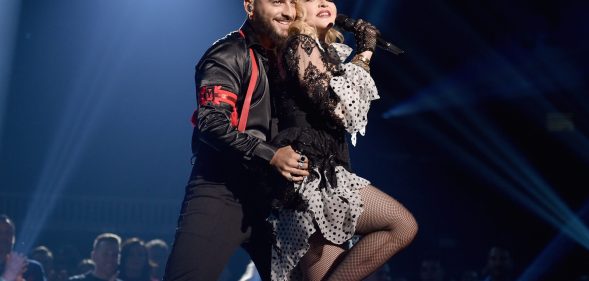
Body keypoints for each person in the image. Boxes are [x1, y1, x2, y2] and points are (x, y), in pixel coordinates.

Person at [266, 0, 419, 280]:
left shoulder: (324, 52)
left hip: (324, 168)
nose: (324, 2)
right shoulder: (301, 43)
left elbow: (350, 110)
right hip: (312, 172)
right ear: (296, 9)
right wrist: (364, 55)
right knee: (402, 224)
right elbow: (337, 109)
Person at [163, 1, 307, 281]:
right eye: (277, 1)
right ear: (250, 5)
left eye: (293, 1)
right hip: (222, 191)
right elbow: (211, 123)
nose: (288, 11)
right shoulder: (228, 52)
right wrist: (271, 154)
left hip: (273, 198)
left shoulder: (289, 59)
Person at [0, 215, 46, 281]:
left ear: (14, 238)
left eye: (8, 232)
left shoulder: (32, 268)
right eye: (0, 232)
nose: (4, 237)